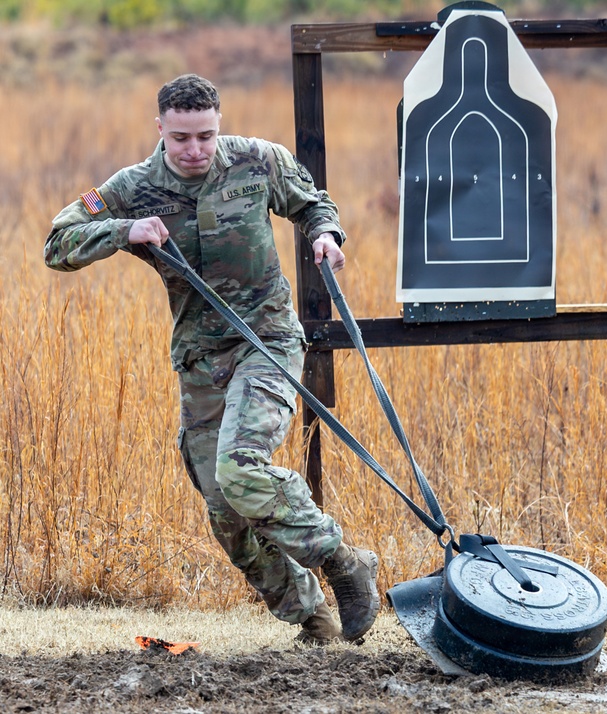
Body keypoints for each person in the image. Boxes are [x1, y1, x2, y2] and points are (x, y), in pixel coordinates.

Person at [43, 74, 379, 645]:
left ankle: (344, 561)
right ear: (160, 131)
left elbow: (313, 204)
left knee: (240, 467)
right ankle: (314, 621)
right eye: (181, 139)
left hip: (266, 342)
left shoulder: (258, 161)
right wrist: (124, 230)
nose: (195, 150)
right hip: (200, 358)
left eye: (205, 135)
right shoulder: (133, 187)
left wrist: (326, 235)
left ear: (219, 125)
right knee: (226, 512)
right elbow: (58, 243)